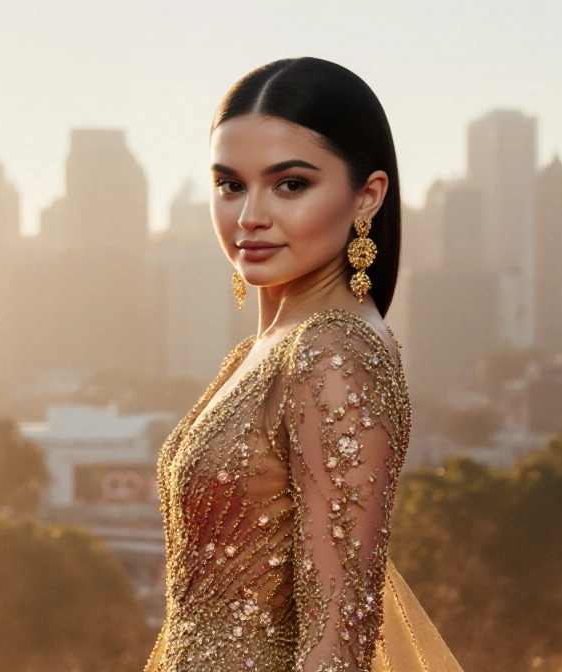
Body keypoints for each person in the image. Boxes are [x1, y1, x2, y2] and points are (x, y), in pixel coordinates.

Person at [145, 57, 462, 672]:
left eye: (290, 185)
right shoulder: (263, 351)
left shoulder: (334, 354)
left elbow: (338, 637)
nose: (248, 216)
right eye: (230, 184)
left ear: (367, 196)